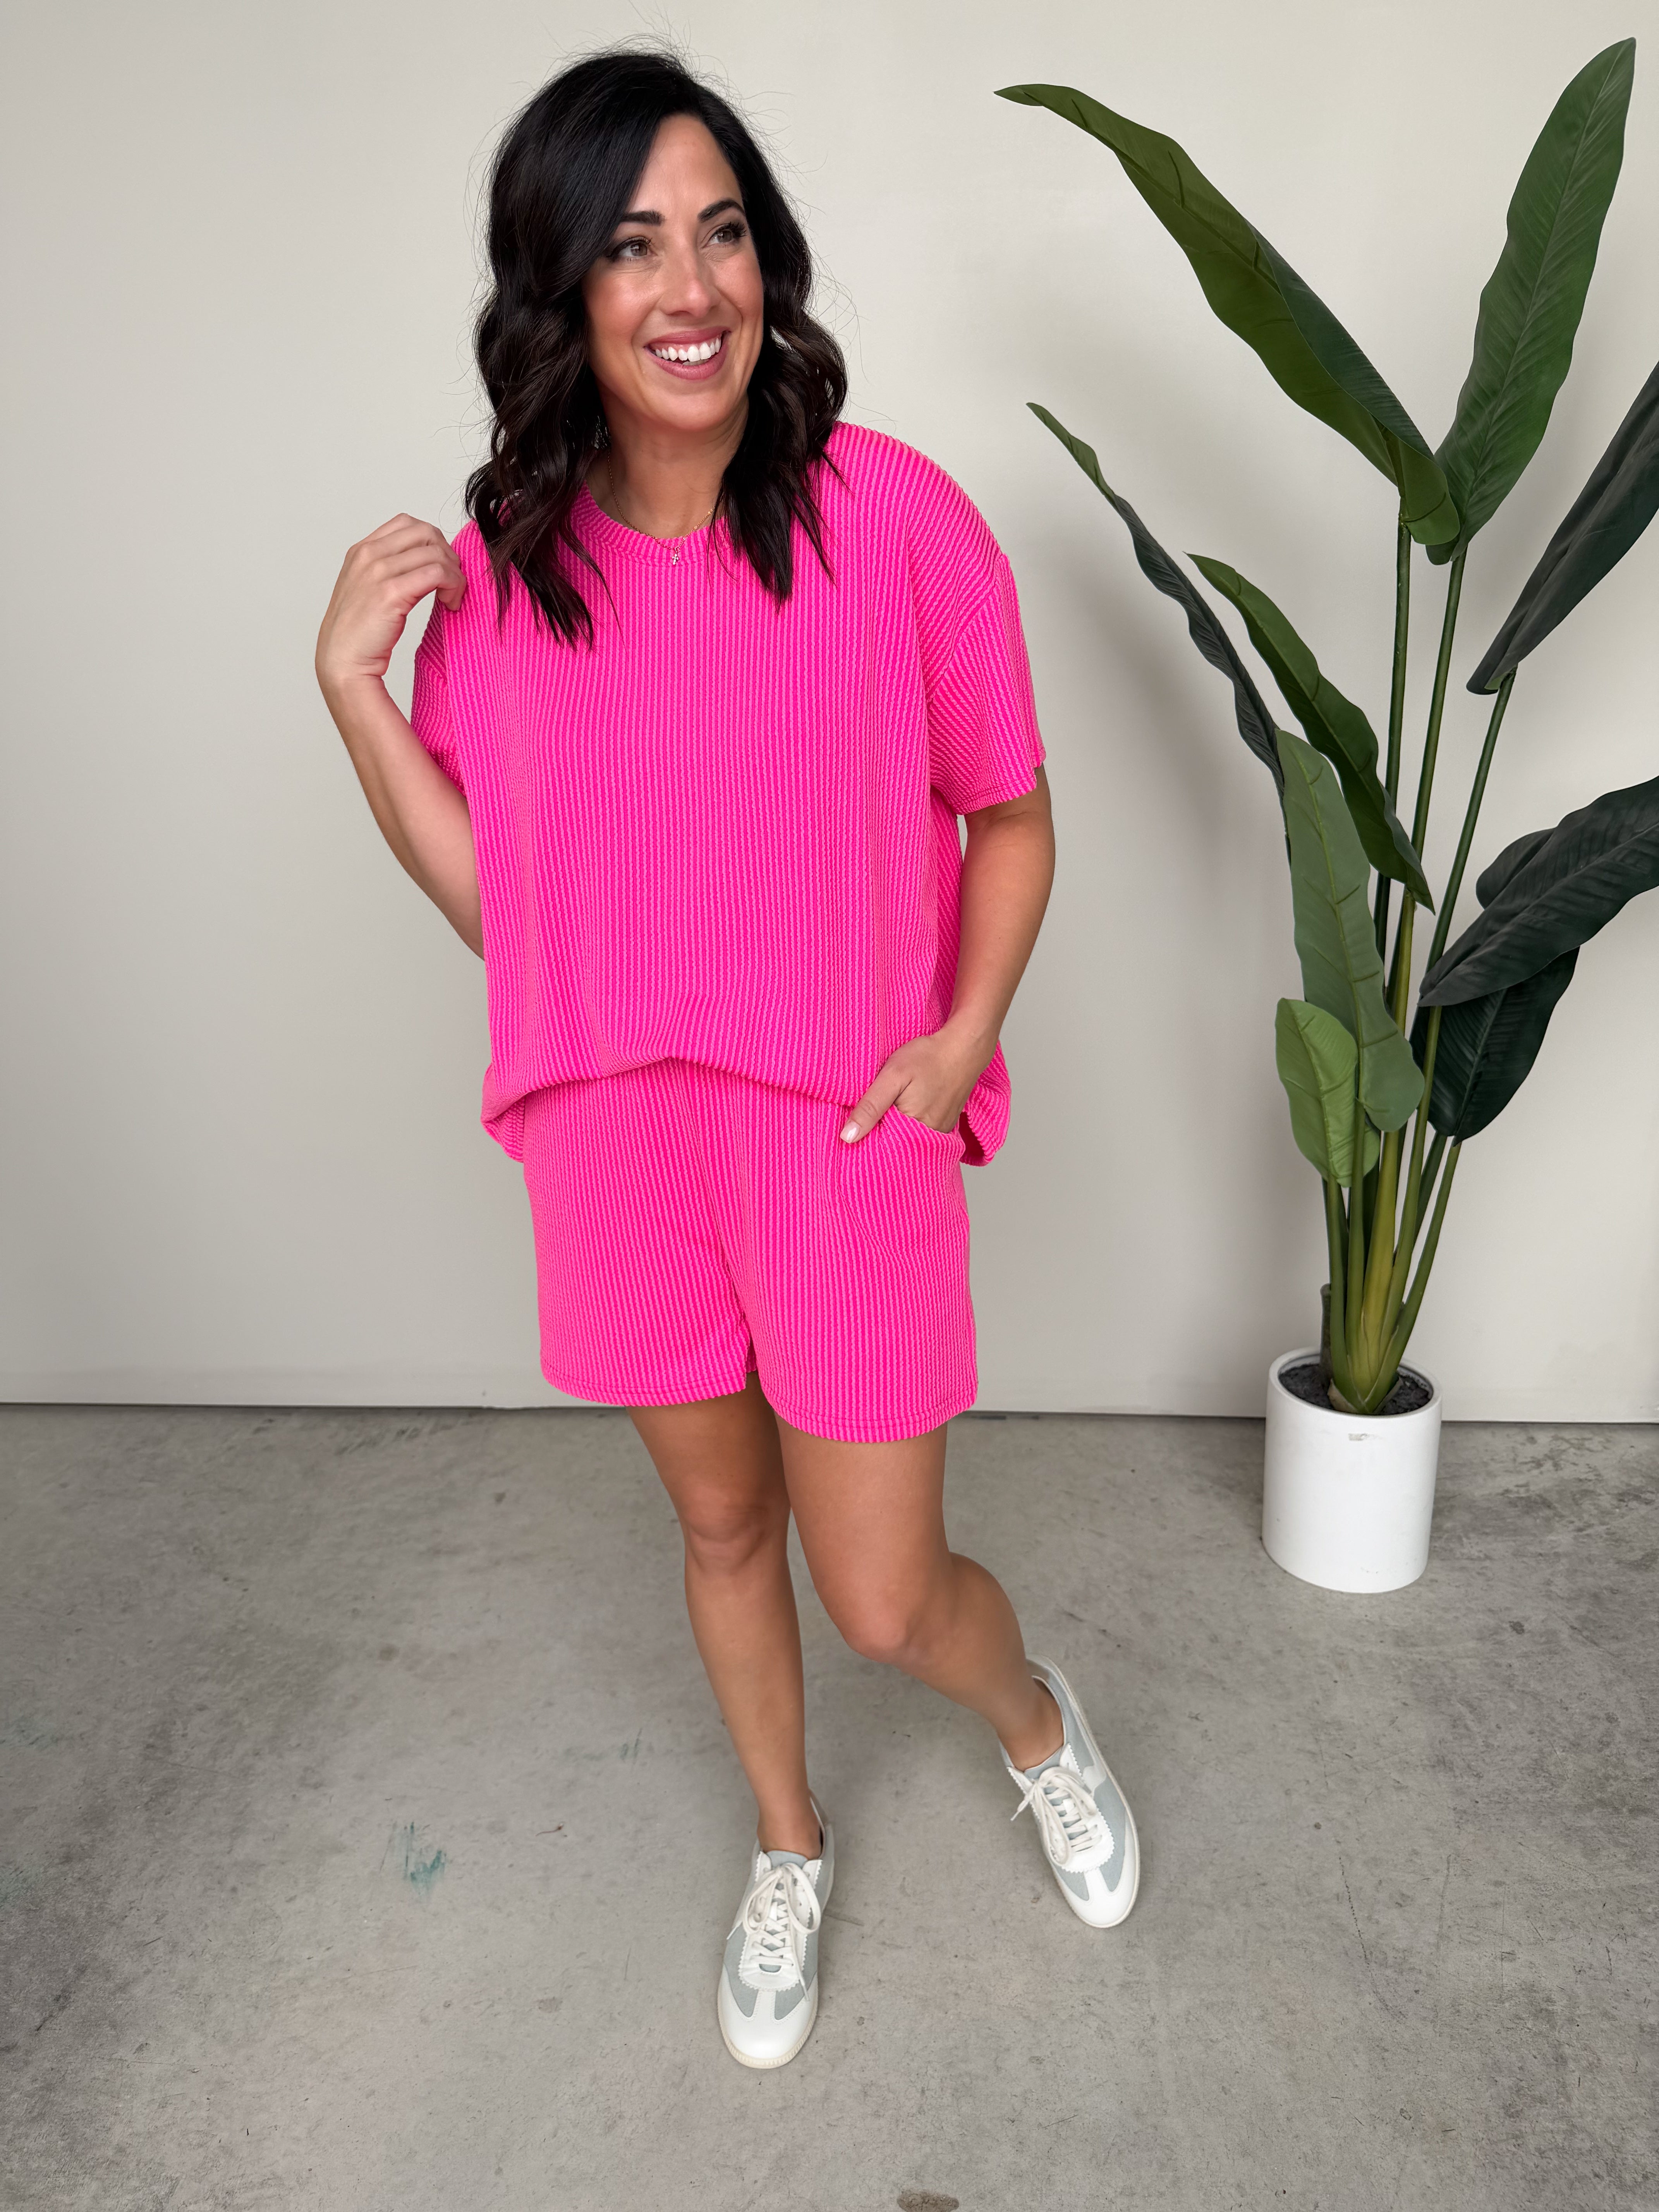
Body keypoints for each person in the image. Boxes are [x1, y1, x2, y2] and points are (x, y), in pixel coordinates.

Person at [314, 46, 1138, 2071]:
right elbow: (516, 913)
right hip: (625, 1149)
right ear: (562, 292)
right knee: (720, 1532)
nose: (691, 288)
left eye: (723, 233)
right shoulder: (511, 577)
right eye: (632, 246)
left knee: (885, 1595)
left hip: (843, 1134)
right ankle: (789, 1843)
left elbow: (1013, 811)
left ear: (768, 262)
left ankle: (1039, 1726)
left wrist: (961, 1037)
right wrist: (353, 693)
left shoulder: (894, 518)